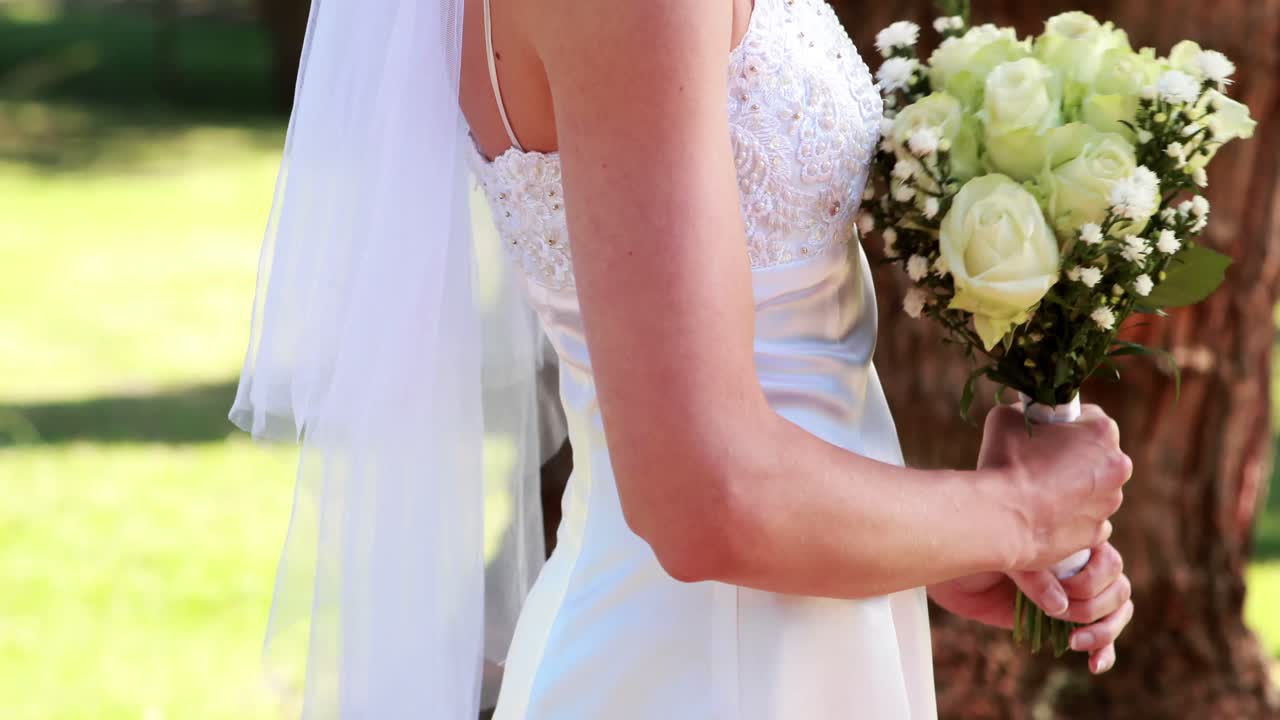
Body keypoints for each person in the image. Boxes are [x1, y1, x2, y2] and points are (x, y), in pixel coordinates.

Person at [232, 0, 1134, 717]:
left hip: (791, 635)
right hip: (690, 669)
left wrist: (939, 535)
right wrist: (1021, 510)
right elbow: (707, 498)